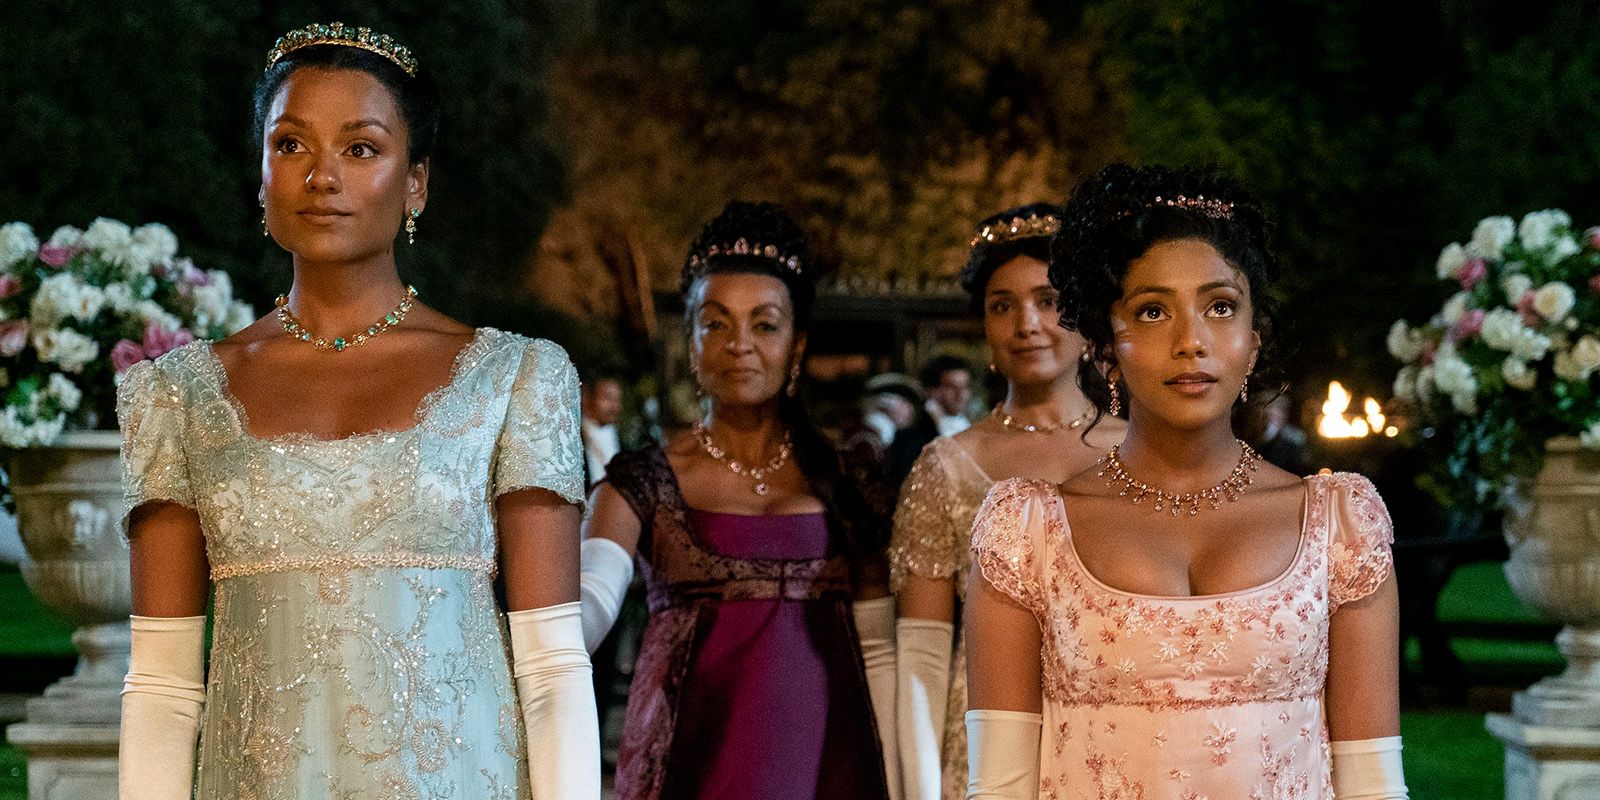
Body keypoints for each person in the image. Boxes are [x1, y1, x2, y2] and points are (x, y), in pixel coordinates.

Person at [115, 23, 598, 799]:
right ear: (261, 174)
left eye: (362, 148)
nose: (323, 177)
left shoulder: (514, 379)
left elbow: (549, 670)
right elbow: (165, 690)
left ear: (417, 183)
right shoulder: (177, 396)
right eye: (292, 146)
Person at [963, 165, 1406, 799]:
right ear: (1105, 348)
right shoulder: (1026, 533)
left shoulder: (1341, 526)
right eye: (1151, 311)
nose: (1191, 341)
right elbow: (999, 790)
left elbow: (1374, 786)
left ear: (1252, 343)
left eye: (1220, 307)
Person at [577, 201, 897, 800]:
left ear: (797, 345)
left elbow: (879, 650)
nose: (739, 345)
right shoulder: (641, 480)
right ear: (692, 342)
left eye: (765, 324)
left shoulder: (851, 481)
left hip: (835, 765)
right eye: (716, 323)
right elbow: (591, 600)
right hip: (689, 769)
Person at [889, 204, 1125, 800]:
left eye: (1048, 300)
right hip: (984, 753)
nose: (1027, 323)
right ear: (984, 328)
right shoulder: (947, 466)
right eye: (1003, 306)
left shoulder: (1148, 453)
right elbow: (922, 658)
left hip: (1122, 739)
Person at [886, 356, 976, 486]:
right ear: (932, 391)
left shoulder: (971, 427)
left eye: (965, 386)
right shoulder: (911, 436)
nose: (960, 394)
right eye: (952, 387)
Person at [582, 370, 625, 485]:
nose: (614, 407)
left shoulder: (624, 442)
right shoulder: (574, 437)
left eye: (617, 400)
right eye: (608, 398)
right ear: (586, 398)